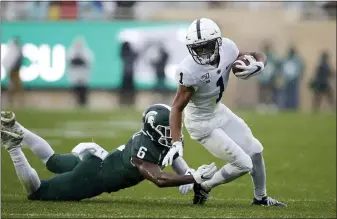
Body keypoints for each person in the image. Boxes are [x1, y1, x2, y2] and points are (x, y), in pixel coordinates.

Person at [162, 18, 286, 206]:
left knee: (255, 150)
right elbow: (177, 106)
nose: (202, 53)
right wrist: (176, 142)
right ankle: (204, 186)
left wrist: (259, 64)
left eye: (206, 46)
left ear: (218, 42)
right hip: (200, 123)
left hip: (218, 111)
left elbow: (256, 54)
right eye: (198, 48)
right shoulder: (188, 69)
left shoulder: (228, 48)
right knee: (244, 163)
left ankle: (260, 198)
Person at [1, 104, 216, 201]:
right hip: (94, 177)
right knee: (37, 193)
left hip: (99, 161)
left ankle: (17, 128)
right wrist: (192, 177)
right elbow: (159, 179)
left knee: (52, 161)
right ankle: (13, 147)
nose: (172, 135)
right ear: (154, 130)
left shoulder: (159, 139)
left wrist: (192, 179)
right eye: (167, 130)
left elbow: (176, 158)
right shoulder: (143, 149)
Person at [67, 36, 93, 108]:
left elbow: (88, 62)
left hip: (83, 75)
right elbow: (70, 61)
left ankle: (84, 103)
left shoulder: (86, 52)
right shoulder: (71, 51)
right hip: (75, 75)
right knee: (75, 90)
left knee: (83, 91)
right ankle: (76, 103)